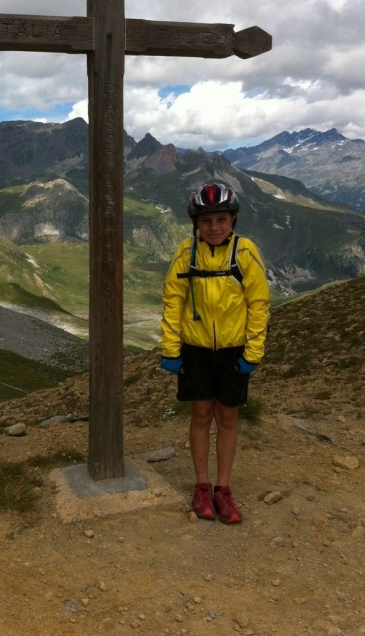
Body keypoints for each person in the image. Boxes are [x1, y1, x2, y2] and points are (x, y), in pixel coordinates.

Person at [160, 181, 270, 524]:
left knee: (227, 418)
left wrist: (252, 353)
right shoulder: (185, 253)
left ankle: (223, 488)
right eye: (206, 221)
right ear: (195, 223)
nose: (214, 228)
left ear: (233, 220)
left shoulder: (245, 252)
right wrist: (171, 349)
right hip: (194, 350)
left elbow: (259, 304)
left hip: (232, 350)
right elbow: (172, 301)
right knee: (200, 416)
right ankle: (202, 486)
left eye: (221, 220)